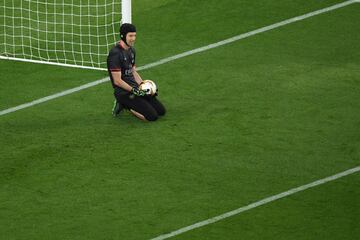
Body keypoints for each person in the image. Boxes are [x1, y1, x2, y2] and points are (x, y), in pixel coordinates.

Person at [107, 23, 166, 121]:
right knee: (152, 117)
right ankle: (125, 106)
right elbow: (117, 81)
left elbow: (133, 72)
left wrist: (146, 87)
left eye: (134, 35)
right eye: (130, 36)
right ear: (122, 36)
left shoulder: (131, 51)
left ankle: (135, 103)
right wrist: (134, 90)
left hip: (135, 89)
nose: (133, 38)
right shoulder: (115, 54)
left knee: (161, 111)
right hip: (124, 93)